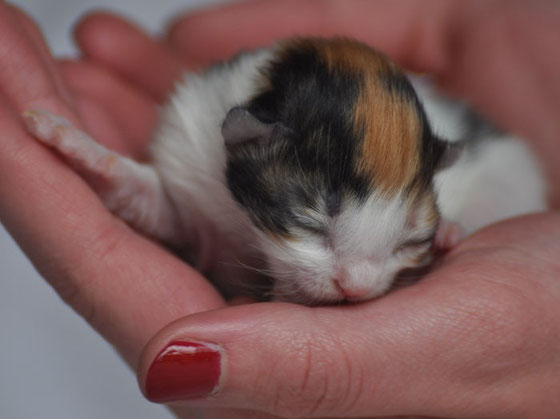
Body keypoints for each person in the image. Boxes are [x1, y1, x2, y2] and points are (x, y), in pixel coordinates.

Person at [1, 0, 559, 417]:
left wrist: (472, 227)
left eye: (403, 240)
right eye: (316, 227)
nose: (358, 285)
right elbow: (174, 210)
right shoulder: (196, 131)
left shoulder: (446, 162)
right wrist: (109, 171)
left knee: (505, 168)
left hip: (483, 167)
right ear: (246, 141)